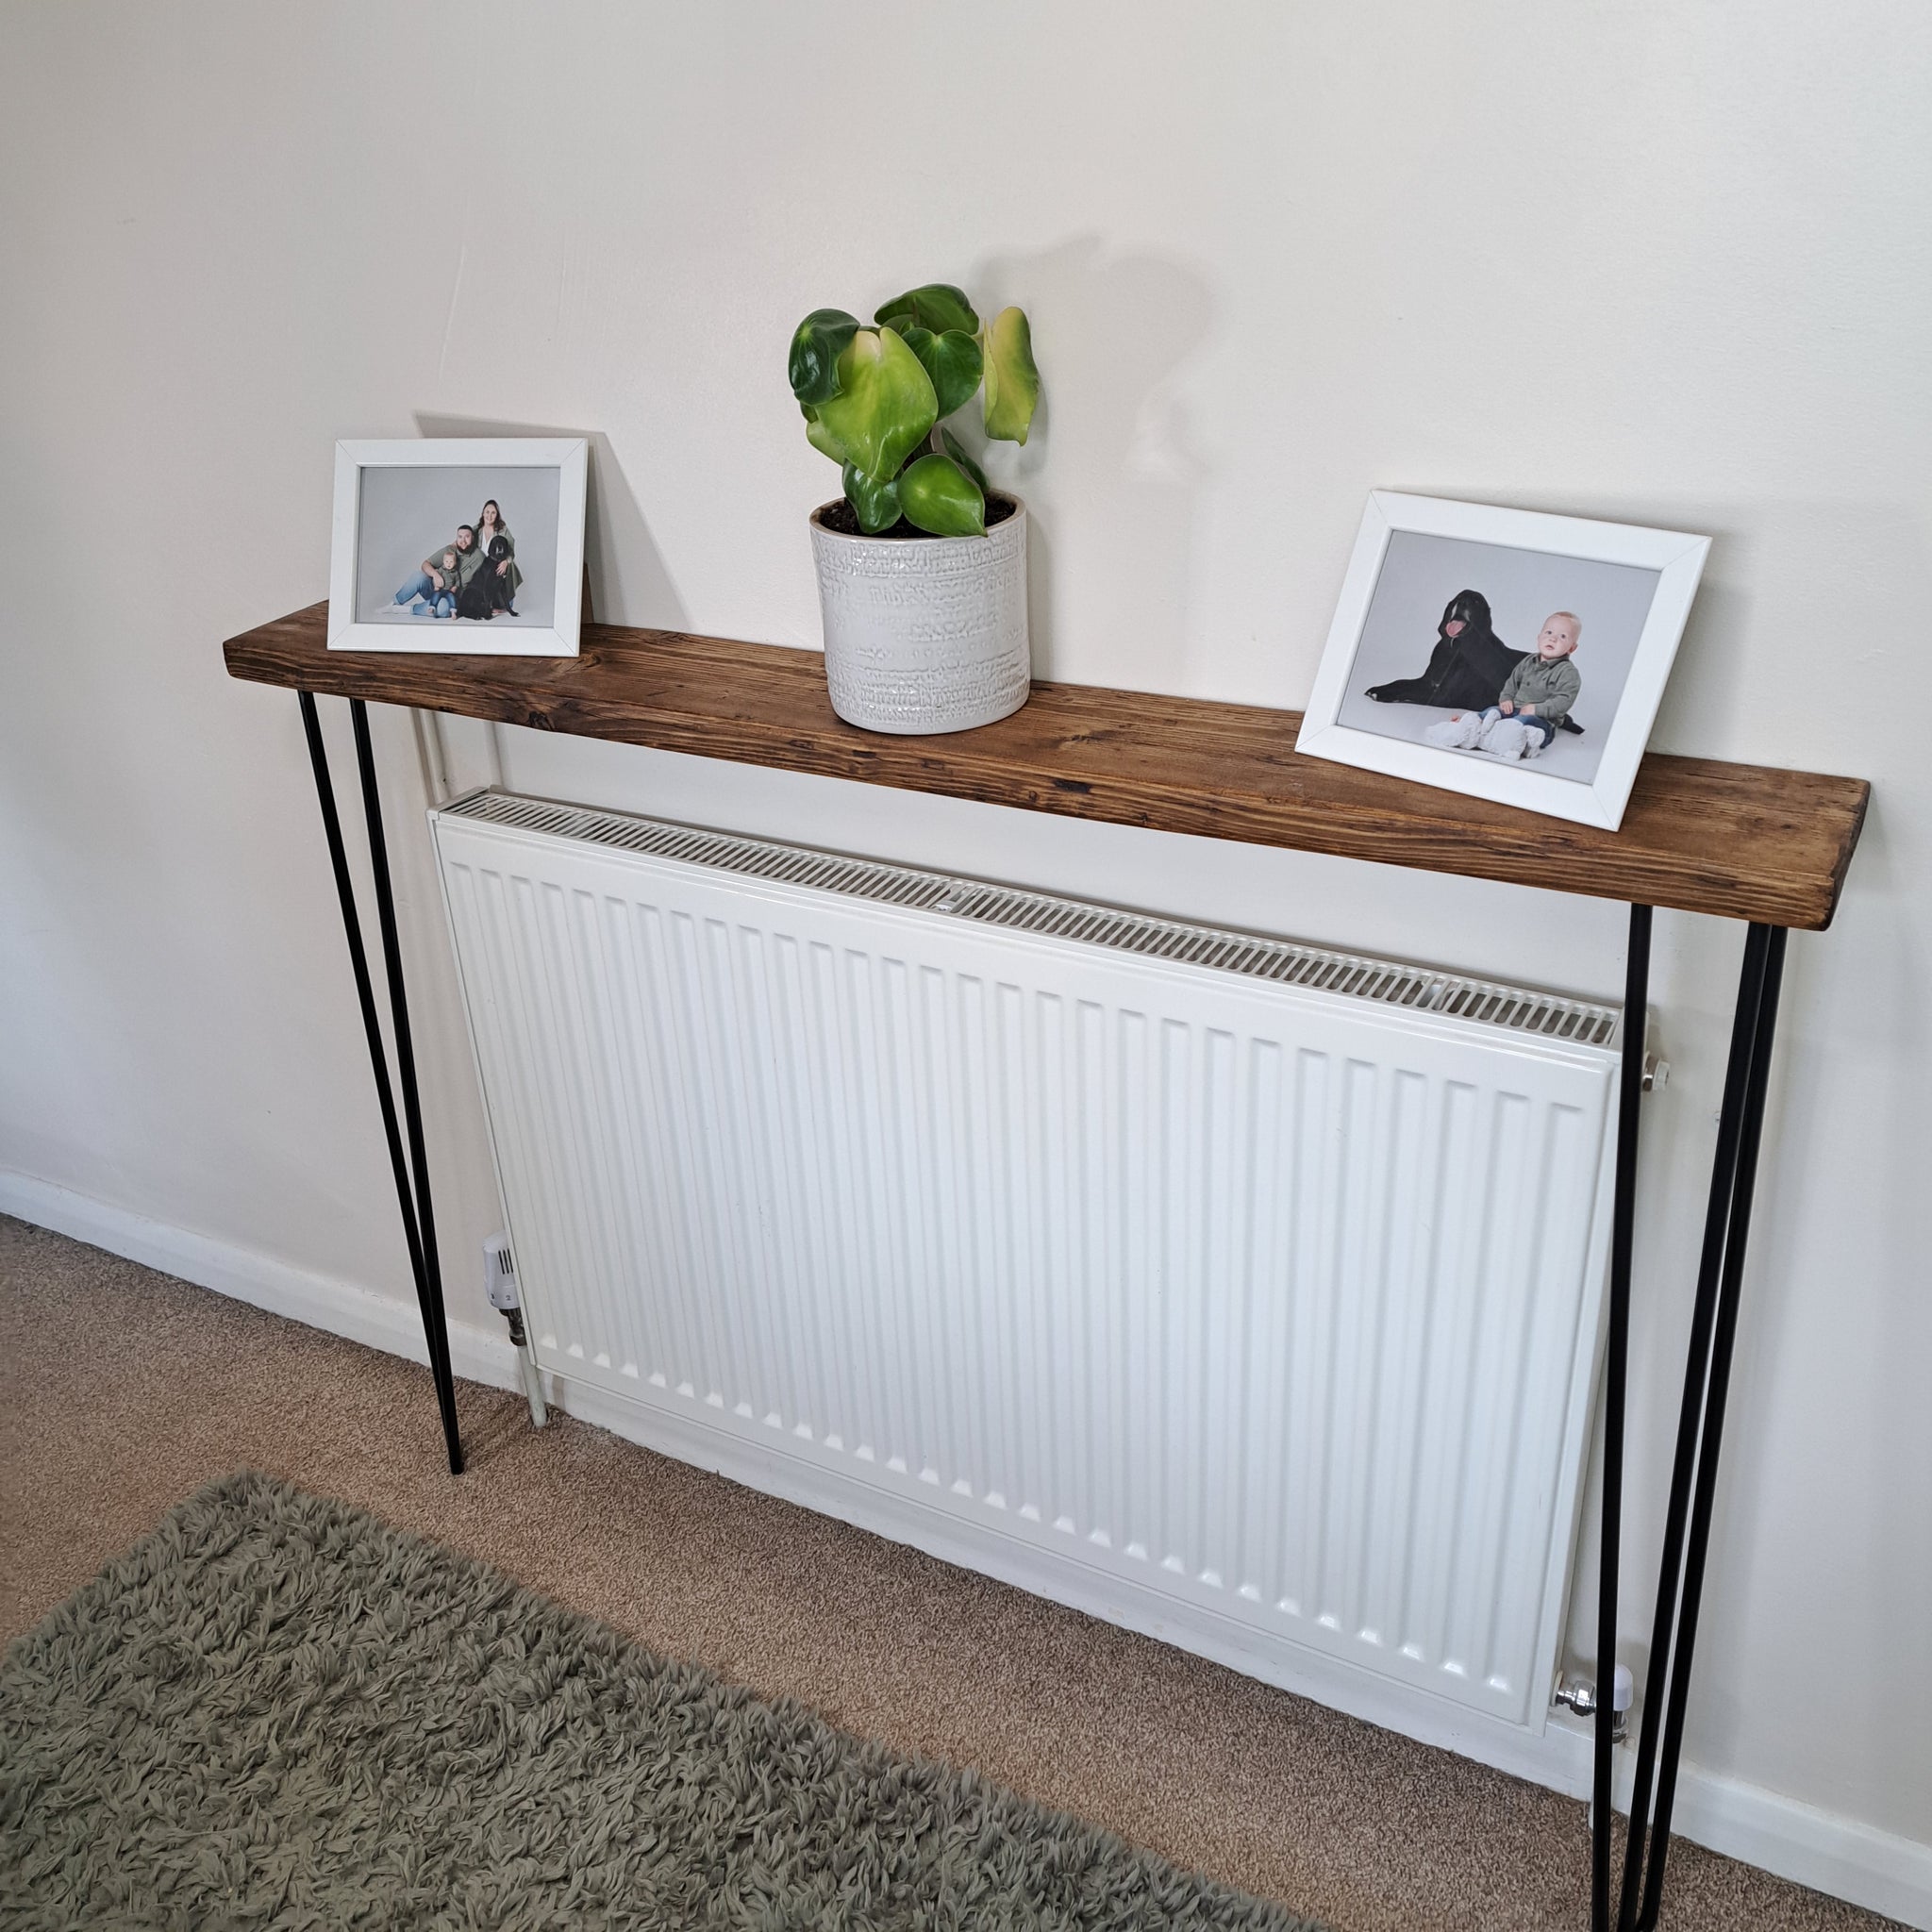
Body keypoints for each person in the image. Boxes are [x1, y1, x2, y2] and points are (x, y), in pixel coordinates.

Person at [1425, 612, 1583, 760]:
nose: (1553, 639)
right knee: (1492, 711)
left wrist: (1536, 709)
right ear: (1539, 637)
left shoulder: (1568, 672)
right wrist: (1506, 699)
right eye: (1549, 633)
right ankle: (1470, 724)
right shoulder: (1528, 661)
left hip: (1541, 719)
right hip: (1514, 709)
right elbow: (1512, 683)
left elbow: (1563, 701)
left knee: (1524, 720)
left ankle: (1509, 740)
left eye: (1562, 636)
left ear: (1572, 648)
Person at [1364, 589, 1521, 712]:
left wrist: (1401, 694)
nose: (1463, 604)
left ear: (1484, 618)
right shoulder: (1444, 648)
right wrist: (1393, 688)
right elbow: (1428, 684)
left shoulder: (1487, 653)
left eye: (1473, 604)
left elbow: (1446, 699)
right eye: (1459, 602)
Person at [391, 526, 486, 617]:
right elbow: (425, 564)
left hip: (453, 599)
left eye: (467, 537)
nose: (463, 541)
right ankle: (393, 604)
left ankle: (408, 609)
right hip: (436, 590)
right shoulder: (449, 550)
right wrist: (435, 575)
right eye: (460, 537)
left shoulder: (479, 557)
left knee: (443, 608)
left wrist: (489, 605)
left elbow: (489, 578)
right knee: (418, 576)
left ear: (473, 538)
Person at [474, 499, 521, 616]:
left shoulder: (503, 530)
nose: (489, 515)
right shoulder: (476, 530)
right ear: (483, 513)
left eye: (493, 512)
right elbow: (464, 539)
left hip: (498, 568)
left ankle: (499, 603)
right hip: (483, 569)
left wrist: (506, 561)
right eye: (487, 512)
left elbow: (511, 551)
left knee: (504, 604)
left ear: (497, 515)